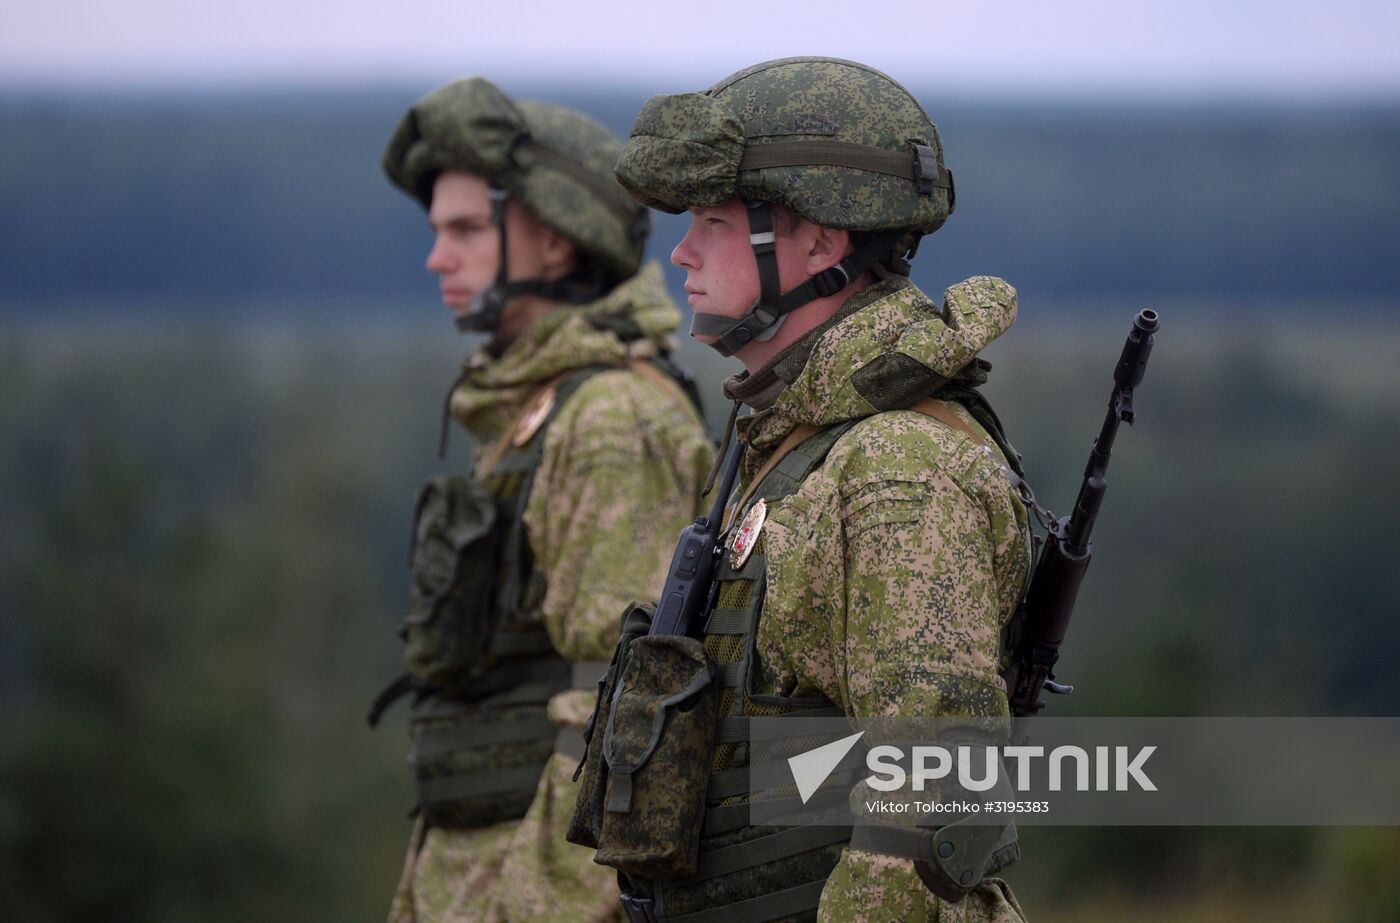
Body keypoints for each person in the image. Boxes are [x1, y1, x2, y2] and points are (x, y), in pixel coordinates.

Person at [585, 57, 1034, 922]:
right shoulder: (787, 442)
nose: (680, 251)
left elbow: (934, 792)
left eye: (712, 223)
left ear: (822, 243)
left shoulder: (895, 466)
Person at [371, 76, 714, 923]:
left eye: (462, 230)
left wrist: (538, 906)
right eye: (435, 231)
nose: (437, 256)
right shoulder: (535, 408)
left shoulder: (610, 416)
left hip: (532, 884)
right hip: (474, 867)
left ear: (557, 244)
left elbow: (623, 707)